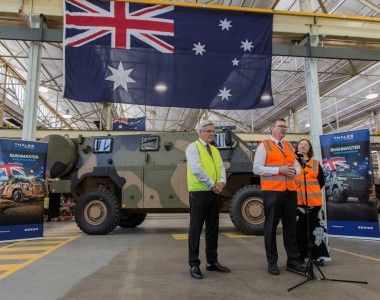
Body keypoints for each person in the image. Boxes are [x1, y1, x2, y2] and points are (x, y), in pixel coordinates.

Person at [253, 118, 305, 275]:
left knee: (291, 228)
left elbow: (297, 167)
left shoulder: (289, 146)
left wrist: (294, 171)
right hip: (272, 192)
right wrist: (279, 170)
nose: (283, 129)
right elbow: (256, 169)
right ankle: (272, 262)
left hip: (290, 191)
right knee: (271, 227)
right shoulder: (264, 145)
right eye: (280, 126)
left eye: (285, 127)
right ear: (272, 129)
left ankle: (293, 262)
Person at [186, 120, 230, 279]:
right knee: (195, 229)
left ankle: (212, 262)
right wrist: (214, 185)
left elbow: (221, 168)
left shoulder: (214, 150)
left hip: (214, 193)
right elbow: (196, 170)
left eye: (213, 131)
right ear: (200, 132)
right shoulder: (193, 147)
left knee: (212, 229)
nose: (212, 133)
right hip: (199, 193)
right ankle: (193, 264)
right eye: (209, 131)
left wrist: (223, 182)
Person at [295, 139, 330, 266]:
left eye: (306, 145)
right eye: (301, 144)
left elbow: (321, 182)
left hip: (314, 203)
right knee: (299, 231)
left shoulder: (315, 163)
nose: (303, 146)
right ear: (297, 147)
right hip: (298, 203)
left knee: (316, 230)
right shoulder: (293, 163)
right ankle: (300, 255)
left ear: (309, 149)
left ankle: (318, 256)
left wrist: (311, 191)